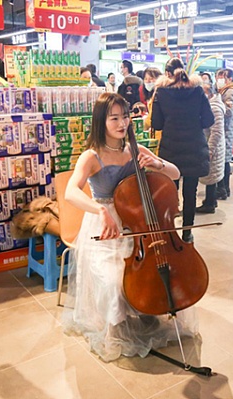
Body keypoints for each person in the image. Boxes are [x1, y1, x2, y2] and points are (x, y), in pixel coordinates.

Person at [62, 92, 196, 362]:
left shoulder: (135, 150)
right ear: (102, 121)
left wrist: (157, 164)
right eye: (114, 118)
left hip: (136, 224)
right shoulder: (91, 155)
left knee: (150, 272)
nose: (122, 123)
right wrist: (100, 209)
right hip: (105, 227)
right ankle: (115, 330)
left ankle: (146, 311)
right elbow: (70, 192)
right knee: (113, 281)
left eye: (125, 116)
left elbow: (176, 173)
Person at [151, 58, 215, 243]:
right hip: (194, 148)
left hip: (171, 150)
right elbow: (208, 120)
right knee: (190, 193)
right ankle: (187, 232)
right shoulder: (197, 91)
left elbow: (156, 124)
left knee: (170, 192)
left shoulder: (161, 93)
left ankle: (170, 232)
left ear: (168, 73)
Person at [196, 82, 225, 214]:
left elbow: (217, 131)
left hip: (213, 145)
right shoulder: (209, 105)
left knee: (211, 174)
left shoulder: (214, 107)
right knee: (211, 174)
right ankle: (211, 200)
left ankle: (209, 203)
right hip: (211, 144)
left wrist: (210, 149)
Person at [216, 68, 233, 200]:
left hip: (225, 129)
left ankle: (223, 189)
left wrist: (215, 107)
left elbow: (229, 112)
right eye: (218, 77)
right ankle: (224, 188)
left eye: (222, 77)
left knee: (223, 160)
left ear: (230, 79)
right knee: (224, 160)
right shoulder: (225, 90)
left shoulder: (230, 91)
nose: (219, 80)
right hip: (225, 129)